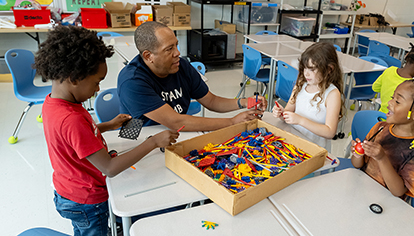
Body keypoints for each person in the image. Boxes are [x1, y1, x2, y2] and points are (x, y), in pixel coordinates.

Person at [36, 25, 179, 236]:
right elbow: (110, 167)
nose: (98, 89)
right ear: (74, 78)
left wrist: (107, 126)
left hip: (68, 189)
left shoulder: (53, 103)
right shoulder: (71, 118)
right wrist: (153, 142)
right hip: (87, 200)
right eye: (96, 83)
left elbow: (72, 139)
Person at [117, 21, 267, 131]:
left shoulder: (180, 65)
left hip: (177, 131)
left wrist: (244, 102)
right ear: (148, 56)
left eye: (176, 45)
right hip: (140, 136)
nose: (177, 53)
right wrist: (232, 122)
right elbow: (176, 121)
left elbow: (211, 100)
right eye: (169, 49)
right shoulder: (132, 81)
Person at [351, 79, 414, 199]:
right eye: (392, 97)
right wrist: (358, 154)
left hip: (385, 202)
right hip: (360, 189)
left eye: (398, 101)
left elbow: (398, 191)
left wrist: (382, 158)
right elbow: (357, 165)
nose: (389, 103)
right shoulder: (380, 128)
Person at [272, 42, 344, 150]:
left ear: (329, 69)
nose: (306, 73)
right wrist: (281, 113)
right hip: (294, 143)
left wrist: (300, 120)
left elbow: (330, 132)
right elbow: (288, 112)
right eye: (305, 68)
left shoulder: (332, 94)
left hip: (315, 149)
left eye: (312, 69)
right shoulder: (301, 84)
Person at [372, 40, 414, 114]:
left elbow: (375, 87)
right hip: (397, 123)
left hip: (380, 118)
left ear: (407, 55)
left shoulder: (389, 70)